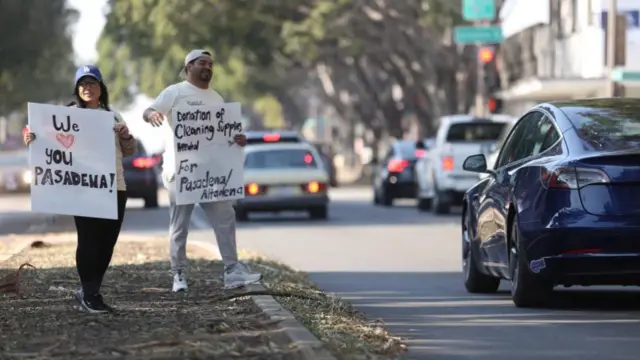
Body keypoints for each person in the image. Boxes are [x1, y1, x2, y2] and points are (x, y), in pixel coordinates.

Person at [142, 49, 262, 292]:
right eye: (201, 63)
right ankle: (179, 276)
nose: (207, 67)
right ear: (188, 68)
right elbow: (148, 111)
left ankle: (232, 271)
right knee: (179, 226)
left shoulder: (216, 98)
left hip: (212, 175)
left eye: (210, 64)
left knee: (225, 218)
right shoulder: (174, 92)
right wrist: (153, 113)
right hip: (182, 173)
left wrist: (236, 139)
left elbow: (221, 135)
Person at [23, 65, 136, 313]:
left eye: (92, 83)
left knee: (107, 242)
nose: (87, 88)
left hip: (114, 187)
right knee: (88, 241)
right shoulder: (66, 116)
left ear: (100, 88)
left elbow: (130, 151)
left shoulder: (114, 117)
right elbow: (39, 133)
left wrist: (126, 136)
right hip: (82, 189)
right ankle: (90, 293)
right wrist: (30, 135)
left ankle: (90, 290)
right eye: (82, 84)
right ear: (77, 89)